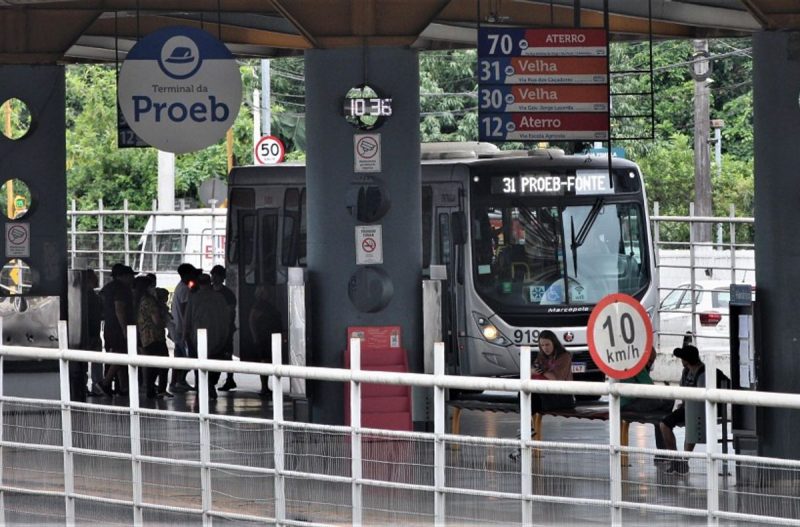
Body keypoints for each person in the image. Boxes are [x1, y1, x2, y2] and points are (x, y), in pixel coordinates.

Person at [620, 347, 674, 460]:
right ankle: (663, 452)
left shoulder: (631, 363)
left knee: (661, 417)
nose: (651, 364)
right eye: (650, 361)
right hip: (630, 404)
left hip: (627, 403)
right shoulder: (638, 366)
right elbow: (650, 389)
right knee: (668, 401)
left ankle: (662, 452)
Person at [659, 344, 705, 475]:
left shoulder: (703, 373)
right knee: (664, 424)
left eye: (682, 358)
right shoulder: (686, 372)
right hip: (687, 407)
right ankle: (675, 459)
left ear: (687, 359)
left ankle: (684, 460)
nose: (681, 361)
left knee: (692, 426)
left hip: (698, 409)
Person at [185, 273, 232, 400]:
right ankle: (210, 385)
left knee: (199, 364)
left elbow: (188, 319)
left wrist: (185, 334)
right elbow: (226, 318)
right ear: (209, 282)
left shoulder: (193, 298)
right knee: (215, 364)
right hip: (218, 337)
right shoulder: (220, 298)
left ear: (199, 284)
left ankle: (203, 387)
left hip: (197, 337)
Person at [97, 263, 135, 396]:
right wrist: (125, 329)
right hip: (118, 328)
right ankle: (105, 383)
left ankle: (123, 386)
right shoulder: (122, 289)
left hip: (109, 326)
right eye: (130, 276)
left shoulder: (107, 288)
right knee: (121, 355)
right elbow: (119, 309)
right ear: (123, 276)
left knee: (117, 356)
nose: (132, 279)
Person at [134, 276, 170, 399]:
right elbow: (157, 320)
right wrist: (165, 321)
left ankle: (151, 389)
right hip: (155, 337)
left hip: (145, 337)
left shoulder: (139, 300)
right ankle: (160, 389)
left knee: (151, 366)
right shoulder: (150, 302)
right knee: (162, 365)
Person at [248, 284, 282, 396]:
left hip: (269, 336)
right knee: (265, 361)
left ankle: (265, 386)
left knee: (267, 361)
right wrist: (255, 336)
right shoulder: (260, 305)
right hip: (264, 337)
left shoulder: (266, 305)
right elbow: (252, 320)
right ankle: (264, 386)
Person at [169, 263, 198, 393]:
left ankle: (174, 383)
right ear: (187, 274)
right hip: (183, 328)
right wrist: (188, 328)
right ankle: (180, 380)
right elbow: (186, 310)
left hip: (177, 327)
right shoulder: (185, 290)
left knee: (179, 357)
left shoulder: (181, 287)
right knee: (190, 357)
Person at [531, 330, 575, 412]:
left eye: (547, 344)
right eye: (542, 345)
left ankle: (533, 423)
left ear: (554, 343)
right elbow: (532, 370)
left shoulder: (565, 356)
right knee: (526, 395)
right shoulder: (541, 356)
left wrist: (542, 371)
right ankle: (530, 422)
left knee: (535, 398)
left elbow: (556, 378)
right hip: (544, 391)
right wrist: (534, 370)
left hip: (562, 395)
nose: (545, 348)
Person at [211, 265, 237, 392]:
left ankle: (229, 378)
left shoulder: (227, 294)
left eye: (216, 275)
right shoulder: (210, 291)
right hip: (213, 328)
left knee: (226, 354)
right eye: (213, 275)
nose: (214, 278)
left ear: (222, 278)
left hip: (225, 328)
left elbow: (231, 312)